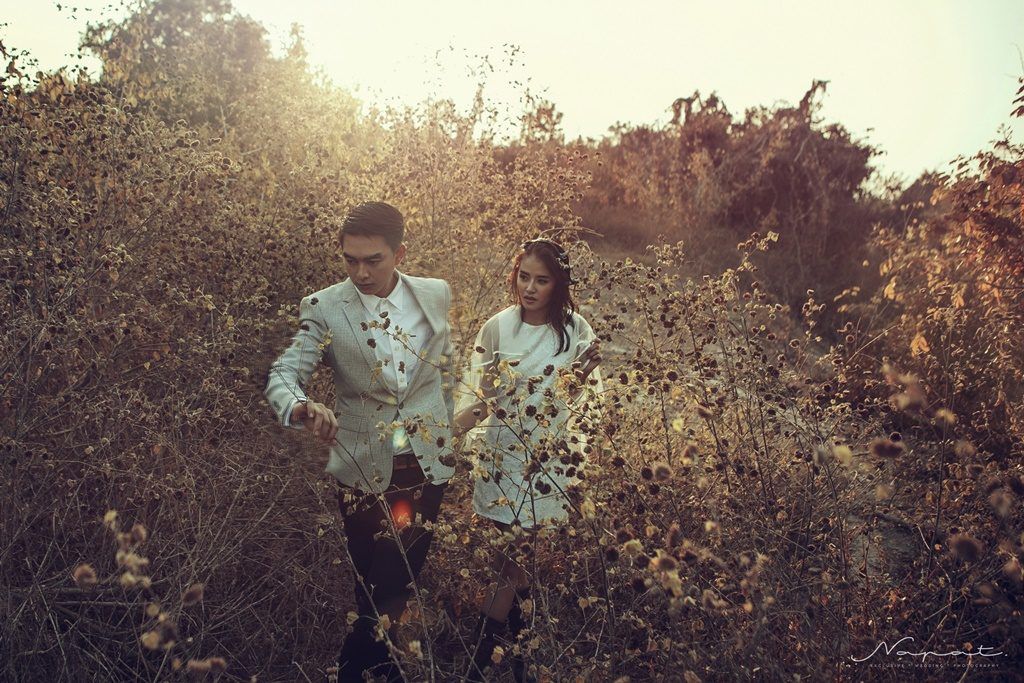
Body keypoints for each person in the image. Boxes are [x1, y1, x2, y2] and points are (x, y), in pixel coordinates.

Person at [264, 202, 456, 682]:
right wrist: (302, 405)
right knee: (370, 582)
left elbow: (445, 369)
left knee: (393, 581)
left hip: (425, 462)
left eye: (373, 260)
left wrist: (450, 426)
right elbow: (285, 372)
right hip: (360, 463)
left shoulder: (434, 293)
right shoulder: (325, 306)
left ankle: (350, 672)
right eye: (350, 260)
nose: (361, 273)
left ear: (399, 253)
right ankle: (383, 668)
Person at [453, 238, 603, 681]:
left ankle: (481, 664)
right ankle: (518, 658)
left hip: (548, 460)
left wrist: (580, 378)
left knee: (515, 563)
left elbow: (580, 401)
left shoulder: (575, 331)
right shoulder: (497, 327)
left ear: (559, 284)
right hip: (503, 456)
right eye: (524, 277)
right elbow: (482, 396)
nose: (530, 288)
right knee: (512, 565)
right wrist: (445, 435)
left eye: (542, 280)